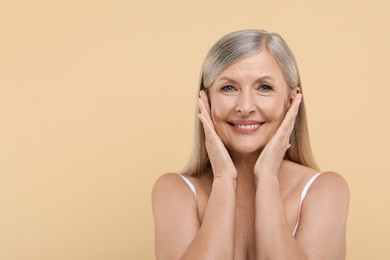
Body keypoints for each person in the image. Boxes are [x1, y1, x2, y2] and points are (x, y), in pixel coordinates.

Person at [152, 29, 350, 260]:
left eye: (264, 87)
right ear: (205, 100)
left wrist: (267, 177)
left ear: (291, 100)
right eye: (229, 88)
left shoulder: (324, 190)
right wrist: (224, 177)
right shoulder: (176, 191)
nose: (245, 107)